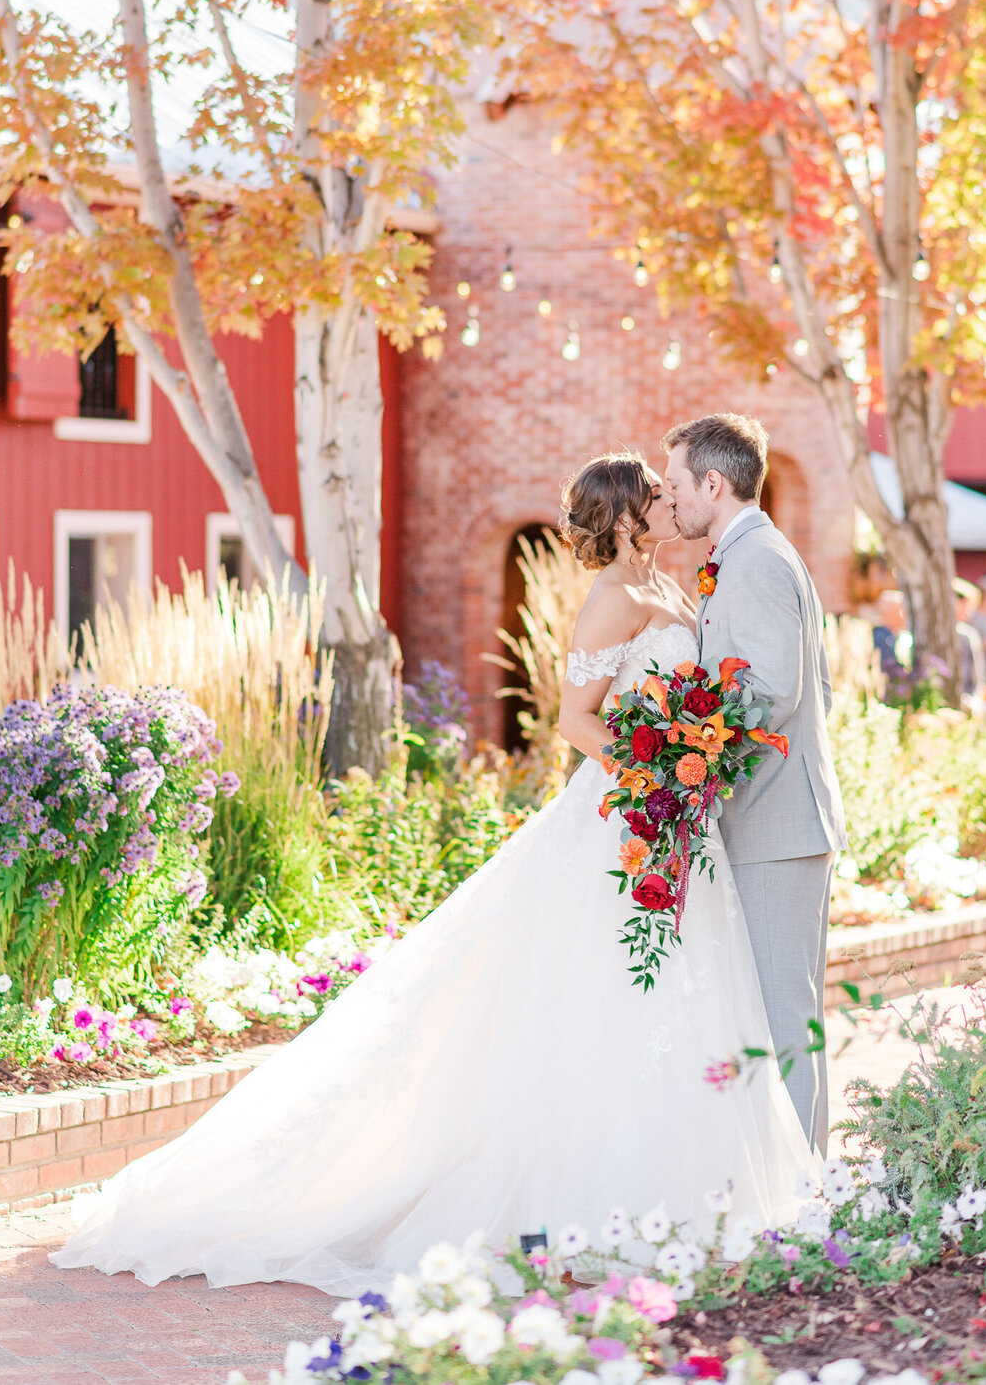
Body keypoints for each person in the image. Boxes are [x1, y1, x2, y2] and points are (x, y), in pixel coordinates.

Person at [52, 450, 811, 1291]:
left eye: (673, 492)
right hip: (626, 817)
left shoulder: (675, 588)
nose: (672, 503)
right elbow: (573, 720)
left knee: (680, 991)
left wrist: (683, 767)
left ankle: (695, 1193)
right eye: (658, 495)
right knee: (610, 992)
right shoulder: (611, 600)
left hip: (674, 822)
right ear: (631, 516)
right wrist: (653, 776)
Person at [663, 415, 846, 1154]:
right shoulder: (746, 555)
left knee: (785, 1021)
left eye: (675, 484)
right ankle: (789, 1184)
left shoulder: (759, 560)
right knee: (775, 1017)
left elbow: (775, 690)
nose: (669, 499)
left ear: (714, 482)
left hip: (778, 825)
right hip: (772, 818)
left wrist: (688, 742)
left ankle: (805, 1195)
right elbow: (813, 688)